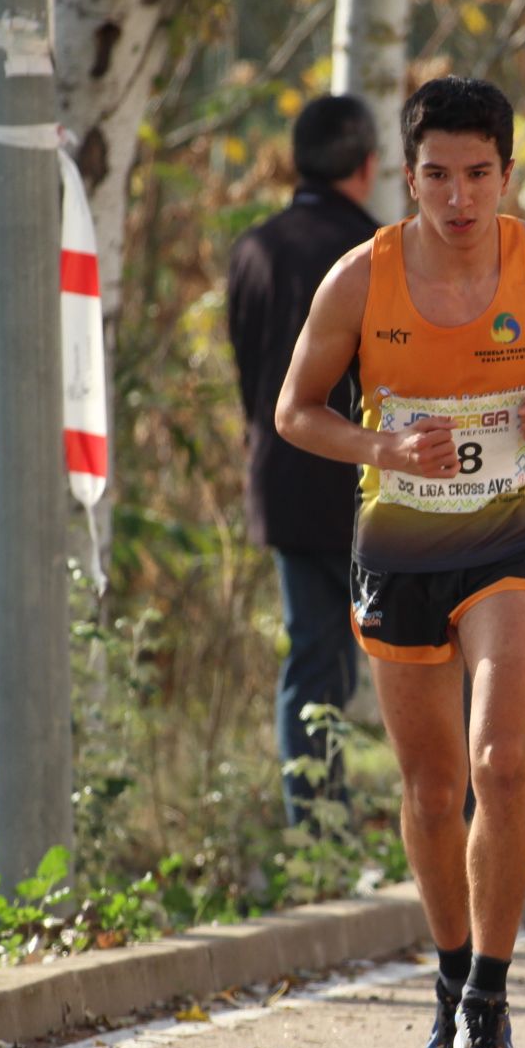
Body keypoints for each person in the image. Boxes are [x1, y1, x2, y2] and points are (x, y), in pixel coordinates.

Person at [275, 75, 525, 1048]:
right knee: (433, 788)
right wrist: (378, 441)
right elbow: (298, 411)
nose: (460, 197)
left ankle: (490, 997)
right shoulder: (359, 277)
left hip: (512, 540)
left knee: (500, 760)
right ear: (408, 175)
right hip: (396, 550)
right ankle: (447, 973)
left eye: (480, 175)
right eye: (438, 175)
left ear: (508, 175)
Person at [228, 94, 383, 829]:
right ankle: (459, 809)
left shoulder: (254, 249)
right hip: (371, 483)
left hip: (285, 482)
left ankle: (316, 821)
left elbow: (249, 375)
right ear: (370, 165)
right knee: (426, 651)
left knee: (314, 657)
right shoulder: (380, 257)